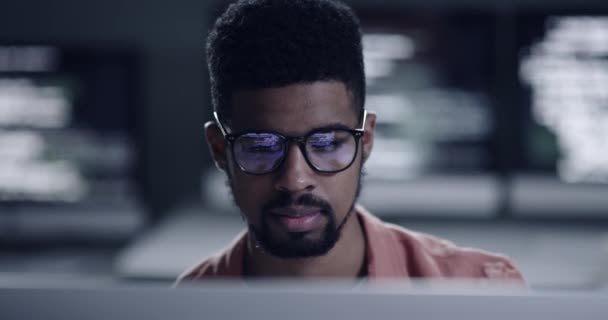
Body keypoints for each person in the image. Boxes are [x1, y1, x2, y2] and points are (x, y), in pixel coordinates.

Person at [177, 0, 524, 283]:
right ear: (220, 149)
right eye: (262, 147)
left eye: (327, 143)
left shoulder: (481, 291)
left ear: (367, 139)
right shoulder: (182, 308)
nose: (295, 179)